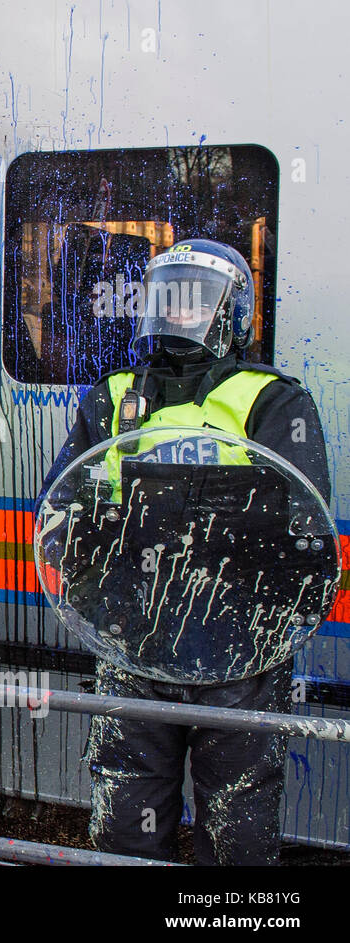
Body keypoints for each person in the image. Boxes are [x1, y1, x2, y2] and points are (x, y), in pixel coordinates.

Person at [42, 238, 333, 865]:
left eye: (195, 302)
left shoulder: (272, 400)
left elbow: (305, 531)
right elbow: (64, 505)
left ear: (231, 313)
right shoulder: (114, 395)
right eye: (167, 301)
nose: (179, 315)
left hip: (240, 650)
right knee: (125, 812)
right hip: (133, 639)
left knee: (237, 822)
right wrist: (86, 565)